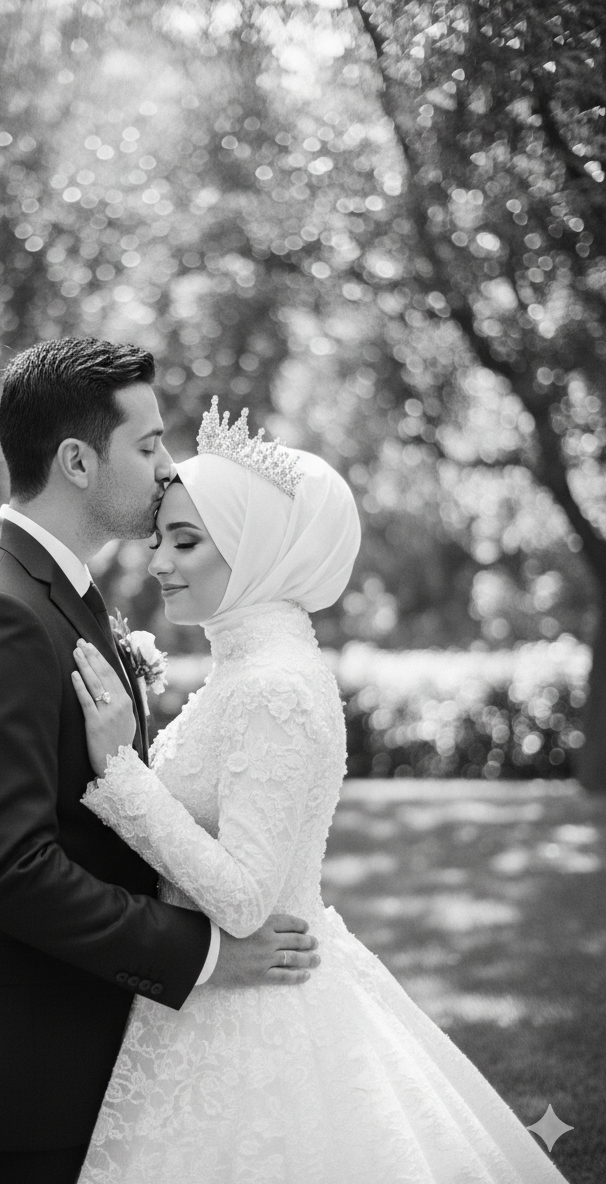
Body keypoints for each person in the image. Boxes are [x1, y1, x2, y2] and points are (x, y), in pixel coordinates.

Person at [71, 397, 572, 1183]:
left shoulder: (276, 688)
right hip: (210, 1000)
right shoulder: (247, 671)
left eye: (187, 541)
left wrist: (120, 775)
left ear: (257, 548)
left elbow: (243, 899)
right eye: (162, 538)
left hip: (256, 1015)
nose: (160, 563)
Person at [0, 340, 319, 1184]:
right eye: (147, 446)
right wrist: (208, 953)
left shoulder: (52, 590)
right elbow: (9, 870)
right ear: (77, 460)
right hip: (4, 1077)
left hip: (60, 1050)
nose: (166, 467)